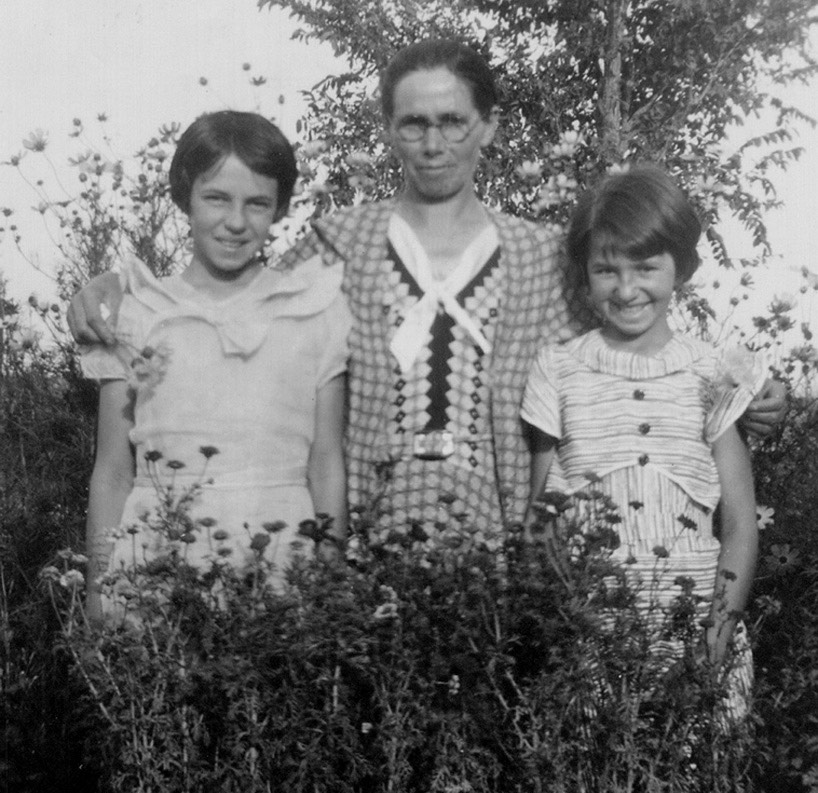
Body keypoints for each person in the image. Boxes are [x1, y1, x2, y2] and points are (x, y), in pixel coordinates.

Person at [68, 40, 785, 544]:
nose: (433, 144)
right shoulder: (338, 243)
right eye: (414, 123)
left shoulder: (542, 255)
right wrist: (109, 292)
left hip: (503, 546)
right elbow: (236, 306)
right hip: (363, 541)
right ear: (389, 129)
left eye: (452, 122)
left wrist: (739, 393)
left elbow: (631, 345)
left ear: (488, 127)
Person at [81, 110, 349, 619]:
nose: (236, 222)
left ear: (279, 208)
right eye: (217, 198)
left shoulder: (315, 308)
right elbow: (113, 471)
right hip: (158, 553)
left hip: (281, 551)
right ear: (186, 197)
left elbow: (326, 461)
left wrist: (331, 586)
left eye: (257, 203)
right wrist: (98, 592)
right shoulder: (139, 311)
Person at [521, 166, 763, 673]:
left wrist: (715, 643)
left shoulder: (713, 372)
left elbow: (741, 524)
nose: (627, 290)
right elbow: (539, 521)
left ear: (682, 267)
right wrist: (564, 626)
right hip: (591, 640)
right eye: (606, 270)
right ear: (585, 273)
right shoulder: (557, 369)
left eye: (646, 268)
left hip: (698, 636)